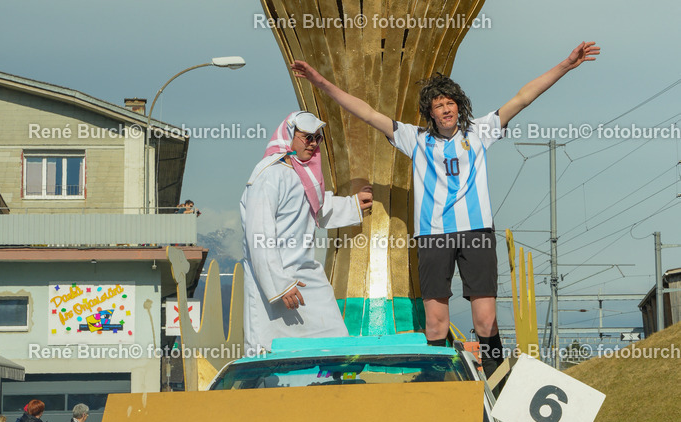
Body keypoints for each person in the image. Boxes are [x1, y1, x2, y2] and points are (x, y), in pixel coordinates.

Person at [291, 42, 600, 377]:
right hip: (433, 237)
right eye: (438, 105)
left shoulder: (480, 131)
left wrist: (566, 65)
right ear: (431, 113)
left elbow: (523, 98)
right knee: (437, 326)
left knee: (486, 321)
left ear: (459, 106)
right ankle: (439, 389)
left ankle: (498, 387)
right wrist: (320, 82)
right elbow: (365, 112)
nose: (446, 109)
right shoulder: (415, 139)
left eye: (450, 103)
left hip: (476, 234)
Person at [240, 110, 373, 353]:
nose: (312, 144)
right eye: (307, 137)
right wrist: (279, 284)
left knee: (335, 338)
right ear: (290, 135)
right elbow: (258, 234)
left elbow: (315, 206)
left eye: (317, 138)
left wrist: (353, 204)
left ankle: (329, 387)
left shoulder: (303, 175)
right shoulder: (267, 176)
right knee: (272, 350)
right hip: (275, 282)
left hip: (306, 278)